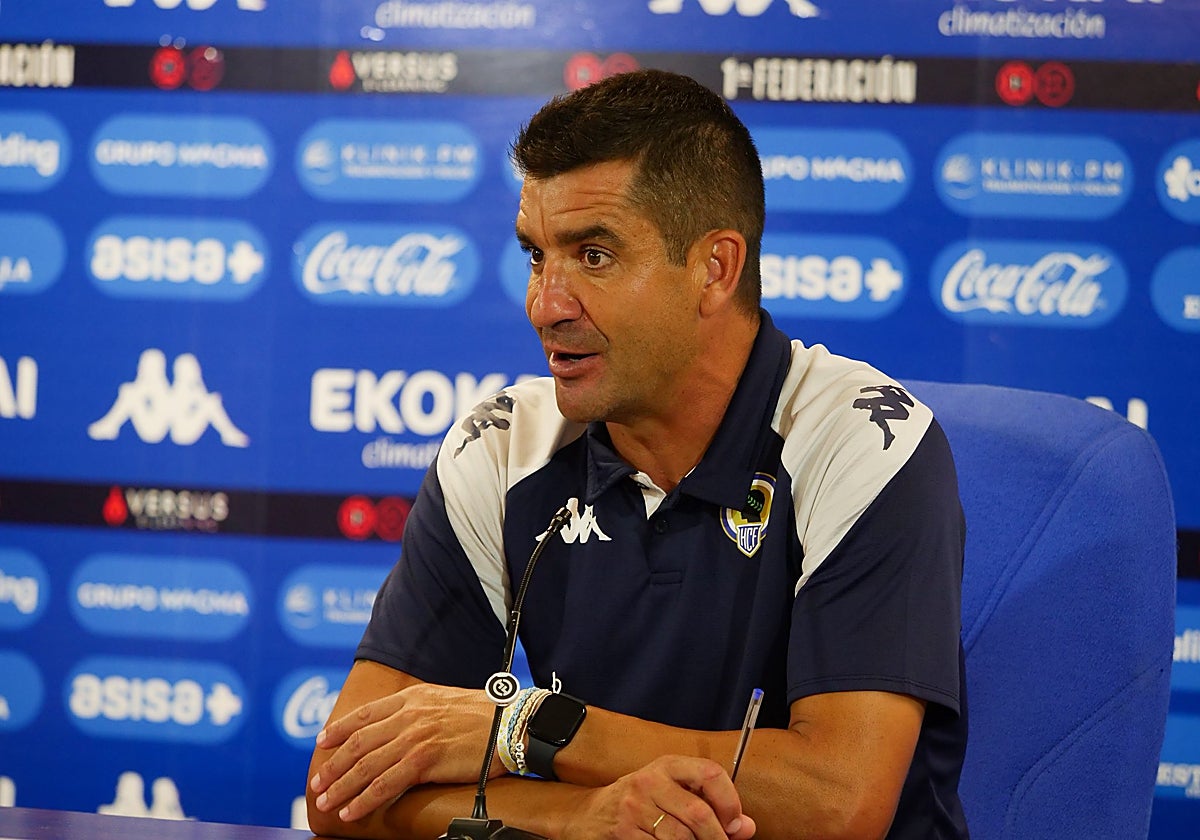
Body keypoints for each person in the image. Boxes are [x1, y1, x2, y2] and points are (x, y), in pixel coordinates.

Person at [307, 68, 968, 840]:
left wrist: (532, 726)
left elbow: (837, 801)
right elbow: (339, 793)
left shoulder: (861, 441)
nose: (546, 306)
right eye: (535, 257)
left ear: (714, 269)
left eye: (593, 256)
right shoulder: (501, 447)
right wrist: (582, 816)